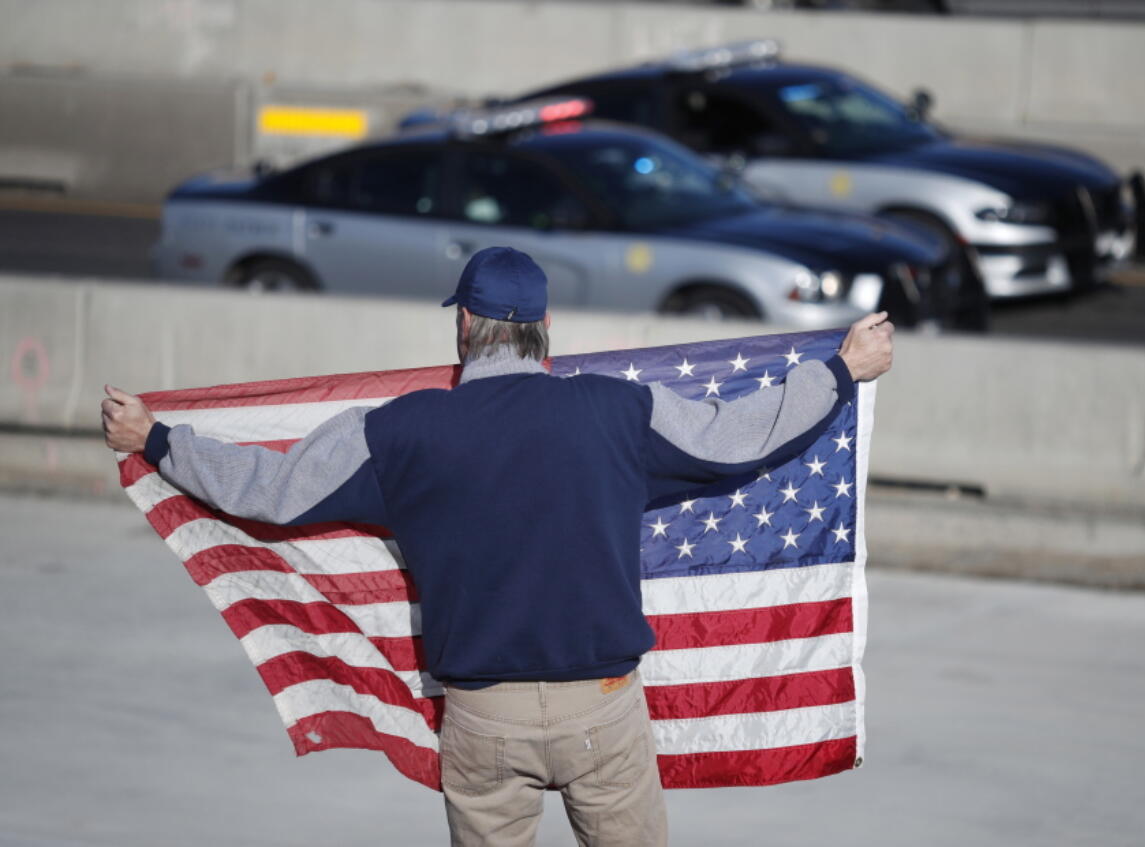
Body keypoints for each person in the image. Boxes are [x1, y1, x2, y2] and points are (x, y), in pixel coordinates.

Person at [101, 246, 893, 847]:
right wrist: (841, 371)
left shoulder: (399, 428)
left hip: (481, 721)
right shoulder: (618, 411)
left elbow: (266, 492)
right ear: (544, 331)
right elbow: (736, 440)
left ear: (464, 328)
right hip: (604, 711)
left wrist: (157, 438)